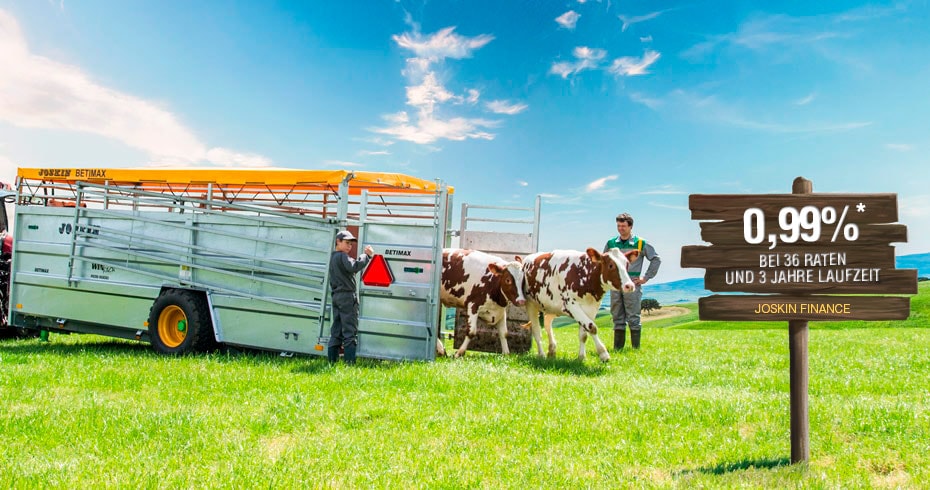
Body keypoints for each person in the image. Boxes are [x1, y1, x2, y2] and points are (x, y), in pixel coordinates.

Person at [604, 213, 661, 350]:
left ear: (630, 226)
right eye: (618, 226)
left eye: (623, 226)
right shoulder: (611, 243)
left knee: (633, 316)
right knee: (617, 315)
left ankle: (636, 349)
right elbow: (604, 262)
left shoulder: (641, 243)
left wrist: (645, 278)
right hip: (616, 285)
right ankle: (618, 349)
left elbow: (656, 259)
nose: (620, 229)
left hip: (632, 283)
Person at [328, 230, 374, 364]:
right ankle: (349, 364)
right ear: (338, 242)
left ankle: (332, 362)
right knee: (350, 331)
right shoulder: (343, 256)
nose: (350, 246)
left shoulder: (333, 257)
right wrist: (366, 256)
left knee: (336, 330)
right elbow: (354, 266)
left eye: (351, 244)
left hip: (336, 296)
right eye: (347, 243)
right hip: (347, 296)